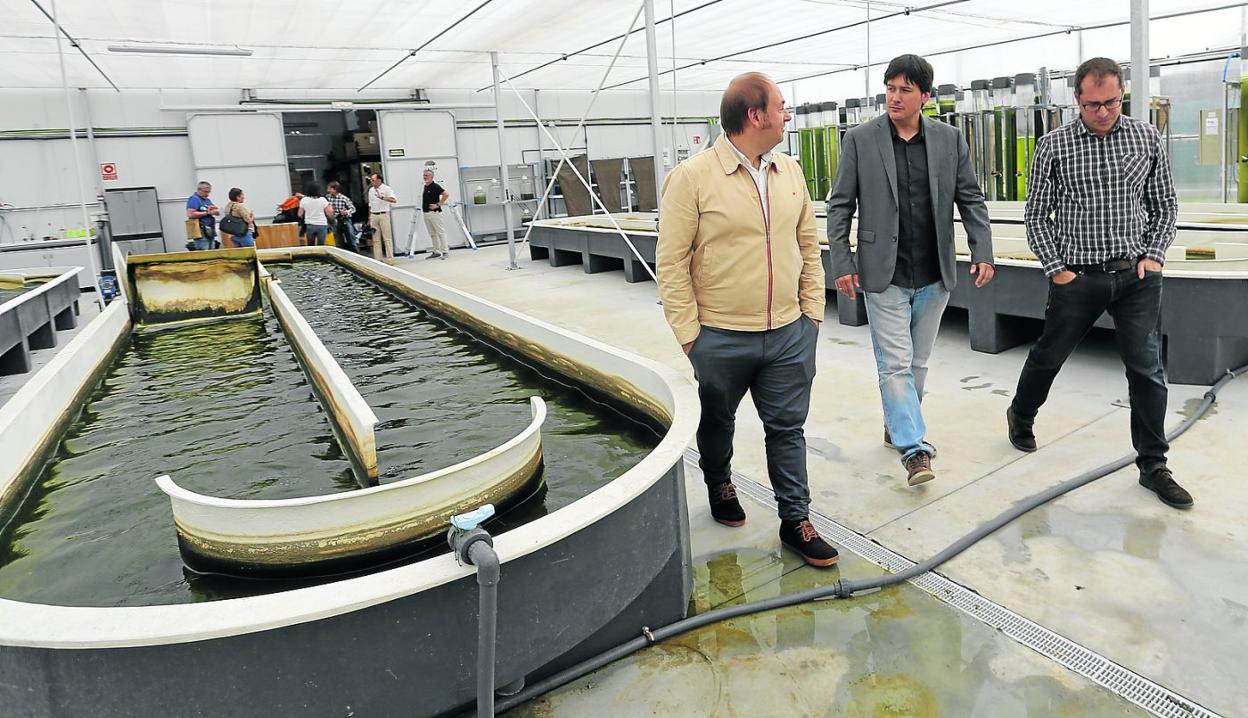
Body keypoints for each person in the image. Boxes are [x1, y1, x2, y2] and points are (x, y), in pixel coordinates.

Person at [657, 72, 838, 568]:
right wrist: (692, 337)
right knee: (718, 419)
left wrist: (811, 317)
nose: (787, 115)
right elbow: (670, 262)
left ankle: (795, 519)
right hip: (720, 335)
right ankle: (719, 481)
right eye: (781, 106)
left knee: (787, 429)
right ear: (755, 115)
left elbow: (807, 246)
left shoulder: (790, 173)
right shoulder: (692, 178)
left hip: (788, 333)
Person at [1007, 57, 1188, 509]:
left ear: (1121, 95)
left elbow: (1164, 204)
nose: (1103, 112)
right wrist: (1057, 270)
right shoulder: (1054, 145)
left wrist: (1153, 255)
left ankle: (1154, 465)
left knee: (1147, 370)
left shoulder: (1147, 137)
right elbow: (1035, 215)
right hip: (1077, 276)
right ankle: (1021, 413)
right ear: (1077, 99)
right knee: (1050, 355)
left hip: (1136, 278)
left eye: (1111, 102)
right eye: (1093, 105)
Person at [826, 54, 995, 487]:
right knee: (895, 365)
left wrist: (983, 250)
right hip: (883, 275)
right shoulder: (861, 140)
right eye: (890, 88)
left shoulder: (949, 140)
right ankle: (914, 450)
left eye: (904, 90)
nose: (894, 97)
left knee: (917, 364)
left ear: (925, 96)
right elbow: (840, 205)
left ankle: (897, 423)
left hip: (935, 273)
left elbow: (971, 199)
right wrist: (842, 262)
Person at [422, 169, 451, 260]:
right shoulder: (425, 187)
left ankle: (445, 251)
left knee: (440, 232)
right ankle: (436, 251)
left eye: (427, 175)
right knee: (432, 234)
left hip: (435, 213)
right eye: (424, 175)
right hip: (426, 213)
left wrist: (438, 204)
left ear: (431, 177)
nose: (425, 177)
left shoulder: (435, 186)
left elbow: (446, 194)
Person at [367, 173, 398, 262]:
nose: (371, 182)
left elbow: (394, 200)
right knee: (375, 239)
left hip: (383, 214)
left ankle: (390, 258)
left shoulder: (386, 189)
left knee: (387, 237)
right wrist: (369, 217)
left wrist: (383, 197)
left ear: (379, 180)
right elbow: (370, 204)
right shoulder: (371, 190)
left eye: (373, 180)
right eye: (371, 180)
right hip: (374, 214)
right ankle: (378, 259)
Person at [185, 181, 220, 251]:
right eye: (205, 192)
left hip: (210, 230)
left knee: (212, 251)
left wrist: (215, 211)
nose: (207, 194)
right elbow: (190, 214)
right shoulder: (194, 199)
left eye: (209, 192)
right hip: (200, 231)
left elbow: (213, 210)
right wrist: (207, 213)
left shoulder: (207, 200)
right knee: (204, 251)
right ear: (199, 190)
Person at [326, 182, 358, 252]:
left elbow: (353, 209)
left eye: (329, 189)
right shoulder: (328, 198)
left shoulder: (343, 198)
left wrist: (346, 212)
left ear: (335, 189)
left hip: (345, 219)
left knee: (351, 238)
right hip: (335, 220)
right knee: (338, 240)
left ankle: (355, 254)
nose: (328, 190)